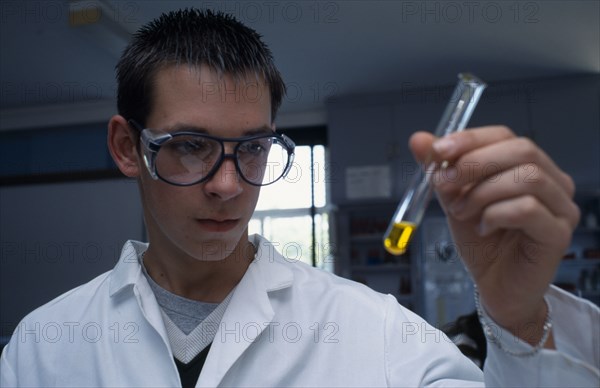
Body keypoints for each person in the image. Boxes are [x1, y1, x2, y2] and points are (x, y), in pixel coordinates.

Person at [1, 8, 598, 387]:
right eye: (190, 145)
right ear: (128, 147)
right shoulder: (41, 347)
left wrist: (520, 320)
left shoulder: (376, 331)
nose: (229, 185)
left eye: (254, 148)